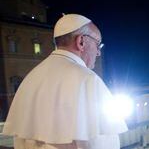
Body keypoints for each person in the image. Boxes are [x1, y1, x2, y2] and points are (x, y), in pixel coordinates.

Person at [2, 14, 128, 149]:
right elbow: (103, 143)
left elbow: (19, 141)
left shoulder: (30, 78)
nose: (98, 53)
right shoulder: (88, 80)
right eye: (97, 44)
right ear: (81, 41)